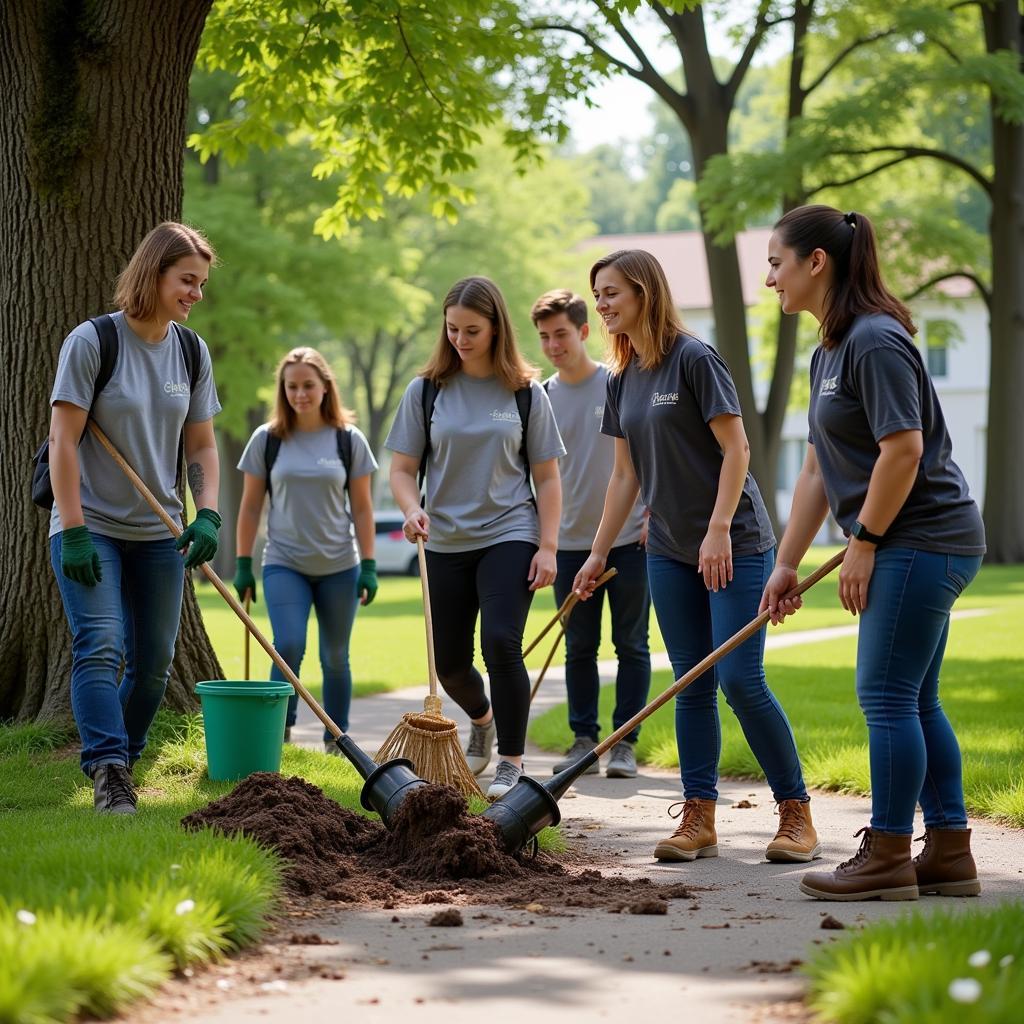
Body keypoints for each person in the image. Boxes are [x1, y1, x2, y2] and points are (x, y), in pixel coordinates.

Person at [760, 205, 986, 901]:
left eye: (776, 262)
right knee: (915, 699)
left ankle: (887, 855)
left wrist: (864, 543)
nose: (770, 278)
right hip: (910, 540)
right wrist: (787, 562)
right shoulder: (828, 350)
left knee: (885, 695)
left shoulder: (875, 339)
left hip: (923, 538)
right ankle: (948, 853)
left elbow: (905, 450)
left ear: (815, 262)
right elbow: (818, 470)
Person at [572, 249, 819, 865]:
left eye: (611, 293)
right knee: (690, 683)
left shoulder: (694, 358)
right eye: (597, 294)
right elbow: (623, 477)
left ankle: (796, 815)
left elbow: (737, 451)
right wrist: (598, 552)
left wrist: (716, 530)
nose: (601, 305)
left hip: (733, 542)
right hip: (668, 550)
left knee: (740, 679)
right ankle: (698, 817)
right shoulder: (623, 377)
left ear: (645, 293)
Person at [47, 222, 222, 815]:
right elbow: (63, 441)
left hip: (160, 533)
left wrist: (209, 515)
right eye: (187, 281)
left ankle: (123, 754)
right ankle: (109, 770)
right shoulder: (94, 342)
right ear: (153, 275)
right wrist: (71, 529)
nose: (196, 293)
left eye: (201, 283)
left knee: (153, 666)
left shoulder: (191, 351)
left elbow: (201, 447)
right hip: (90, 522)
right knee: (100, 644)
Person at [386, 276, 565, 799]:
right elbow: (401, 470)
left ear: (495, 329)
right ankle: (483, 719)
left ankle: (510, 759)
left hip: (510, 531)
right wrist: (411, 507)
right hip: (443, 540)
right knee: (450, 665)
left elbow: (548, 477)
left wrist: (548, 546)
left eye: (472, 330)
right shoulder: (426, 391)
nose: (461, 339)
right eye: (453, 329)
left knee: (502, 643)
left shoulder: (526, 394)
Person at [532, 289, 652, 779]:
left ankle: (624, 742)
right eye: (544, 337)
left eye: (561, 334)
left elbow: (651, 450)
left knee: (632, 644)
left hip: (628, 541)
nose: (553, 345)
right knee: (579, 647)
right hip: (569, 544)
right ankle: (584, 740)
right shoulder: (540, 397)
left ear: (583, 332)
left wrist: (655, 510)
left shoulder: (620, 383)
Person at [234, 347, 378, 753]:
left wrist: (369, 564)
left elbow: (363, 508)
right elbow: (249, 505)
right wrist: (243, 562)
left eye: (308, 385)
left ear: (325, 387)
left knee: (334, 656)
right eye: (292, 386)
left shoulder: (349, 440)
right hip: (285, 562)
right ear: (283, 390)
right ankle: (278, 733)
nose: (301, 394)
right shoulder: (268, 440)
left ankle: (337, 740)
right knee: (289, 645)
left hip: (339, 565)